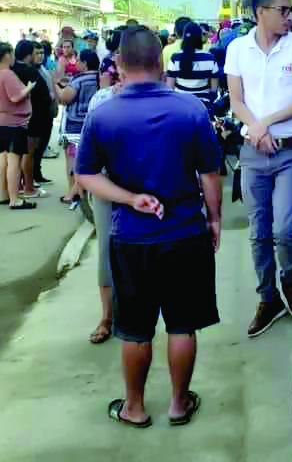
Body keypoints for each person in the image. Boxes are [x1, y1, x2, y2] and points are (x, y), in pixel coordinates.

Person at [76, 25, 223, 429]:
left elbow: (85, 174)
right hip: (184, 232)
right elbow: (210, 174)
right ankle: (179, 403)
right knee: (182, 325)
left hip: (132, 237)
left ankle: (135, 407)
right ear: (161, 63)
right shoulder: (190, 110)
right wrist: (214, 220)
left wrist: (128, 197)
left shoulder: (104, 113)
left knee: (136, 330)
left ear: (119, 64)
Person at [225, 0, 292, 338]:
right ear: (259, 13)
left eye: (290, 10)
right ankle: (268, 298)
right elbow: (236, 100)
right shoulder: (238, 49)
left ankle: (290, 280)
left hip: (290, 150)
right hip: (253, 152)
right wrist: (256, 129)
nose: (289, 16)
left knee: (283, 227)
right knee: (259, 231)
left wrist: (265, 123)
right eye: (282, 10)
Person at [84, 78, 120, 345]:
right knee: (106, 250)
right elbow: (87, 152)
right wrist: (80, 181)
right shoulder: (102, 100)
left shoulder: (164, 97)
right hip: (106, 185)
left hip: (151, 187)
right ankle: (107, 316)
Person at [0, 42, 37, 210]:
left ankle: (3, 194)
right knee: (14, 160)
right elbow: (16, 97)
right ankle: (15, 199)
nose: (14, 57)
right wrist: (29, 88)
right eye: (12, 53)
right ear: (7, 55)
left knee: (2, 156)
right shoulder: (7, 74)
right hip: (12, 123)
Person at [58, 50, 100, 209]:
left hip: (75, 126)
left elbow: (64, 98)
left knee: (73, 161)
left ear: (85, 63)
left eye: (79, 61)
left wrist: (56, 86)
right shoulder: (102, 78)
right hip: (92, 123)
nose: (77, 64)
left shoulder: (79, 80)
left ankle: (73, 192)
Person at [12, 40, 51, 199]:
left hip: (17, 117)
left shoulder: (11, 70)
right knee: (29, 154)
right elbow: (43, 95)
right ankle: (28, 187)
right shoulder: (29, 71)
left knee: (19, 154)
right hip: (33, 116)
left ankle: (21, 184)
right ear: (29, 55)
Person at [165, 22, 219, 100]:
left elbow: (170, 88)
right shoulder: (210, 58)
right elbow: (214, 90)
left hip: (181, 104)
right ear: (199, 37)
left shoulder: (175, 58)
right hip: (203, 105)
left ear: (184, 37)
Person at [30, 41, 57, 185]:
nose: (40, 56)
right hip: (37, 113)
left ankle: (37, 173)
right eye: (37, 53)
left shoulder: (43, 68)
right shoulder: (30, 70)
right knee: (35, 147)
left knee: (42, 145)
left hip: (48, 111)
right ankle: (32, 175)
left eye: (42, 53)